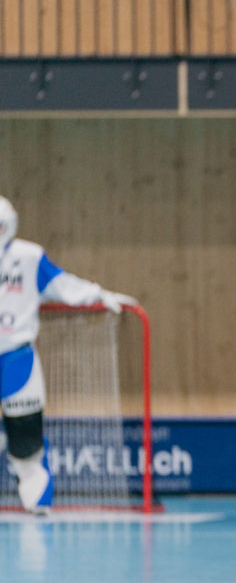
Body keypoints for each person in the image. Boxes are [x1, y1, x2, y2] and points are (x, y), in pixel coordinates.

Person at [0, 195, 136, 514]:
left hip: (17, 359)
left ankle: (37, 501)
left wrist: (99, 295)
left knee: (27, 439)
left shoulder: (28, 257)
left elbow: (62, 284)